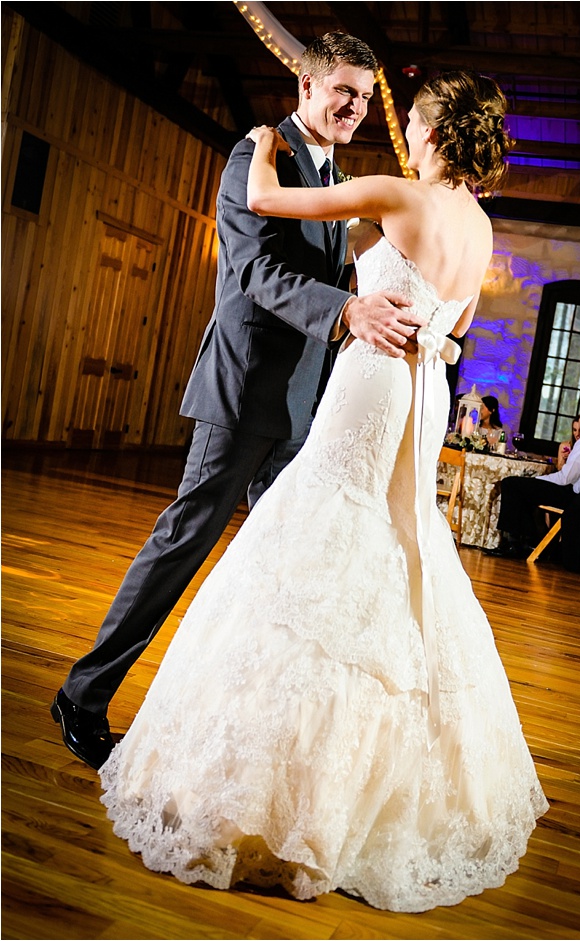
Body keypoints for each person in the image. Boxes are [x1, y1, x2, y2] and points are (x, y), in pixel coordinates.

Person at [97, 70, 548, 912]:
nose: (401, 132)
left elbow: (266, 200)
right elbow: (450, 320)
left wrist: (263, 143)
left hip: (373, 378)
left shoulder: (398, 194)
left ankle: (274, 786)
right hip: (424, 394)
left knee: (326, 519)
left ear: (432, 133)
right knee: (401, 537)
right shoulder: (483, 226)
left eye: (410, 123)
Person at [50, 32, 428, 771]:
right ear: (307, 86)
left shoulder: (333, 175)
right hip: (243, 390)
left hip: (304, 409)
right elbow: (255, 271)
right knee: (181, 545)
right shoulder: (255, 156)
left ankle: (247, 733)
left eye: (363, 96)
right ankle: (82, 696)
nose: (355, 106)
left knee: (285, 565)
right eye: (343, 90)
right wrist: (347, 311)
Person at [490, 402, 580, 558]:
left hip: (575, 497)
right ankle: (525, 541)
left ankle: (513, 544)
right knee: (522, 487)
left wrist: (538, 479)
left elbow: (565, 478)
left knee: (511, 484)